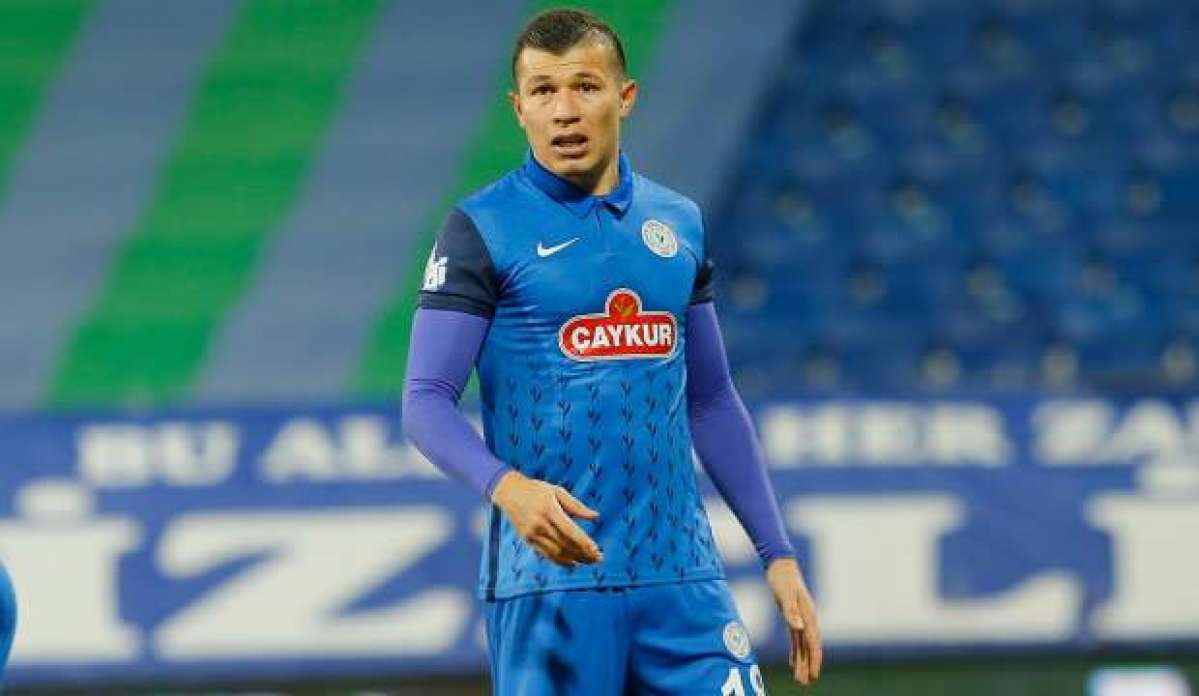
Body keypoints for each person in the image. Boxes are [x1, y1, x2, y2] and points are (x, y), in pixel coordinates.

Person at [402, 7, 821, 694]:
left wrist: (775, 552)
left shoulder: (678, 223)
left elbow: (711, 400)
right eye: (543, 91)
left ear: (624, 97)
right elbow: (425, 402)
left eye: (585, 86)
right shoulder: (482, 228)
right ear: (518, 109)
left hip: (683, 582)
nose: (564, 110)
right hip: (551, 589)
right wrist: (507, 488)